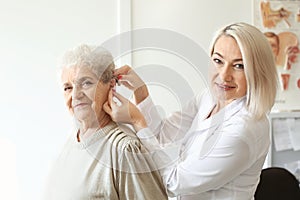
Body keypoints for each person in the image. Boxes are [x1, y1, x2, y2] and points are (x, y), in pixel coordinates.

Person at [103, 22, 278, 199]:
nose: (224, 75)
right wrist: (140, 92)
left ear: (258, 71)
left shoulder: (244, 131)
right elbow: (162, 134)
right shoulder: (209, 97)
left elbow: (173, 182)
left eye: (239, 65)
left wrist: (137, 121)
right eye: (218, 61)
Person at [43, 44, 168, 200]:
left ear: (111, 84)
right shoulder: (72, 139)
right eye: (68, 87)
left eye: (86, 83)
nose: (75, 95)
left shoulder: (124, 150)